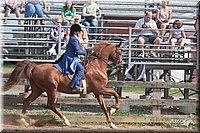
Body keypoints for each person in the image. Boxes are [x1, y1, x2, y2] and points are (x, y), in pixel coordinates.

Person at [54, 24, 90, 92]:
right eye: (78, 31)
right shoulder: (74, 39)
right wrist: (86, 51)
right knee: (81, 70)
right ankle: (74, 85)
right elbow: (77, 51)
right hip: (71, 58)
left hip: (71, 56)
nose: (80, 32)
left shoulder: (73, 38)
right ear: (75, 32)